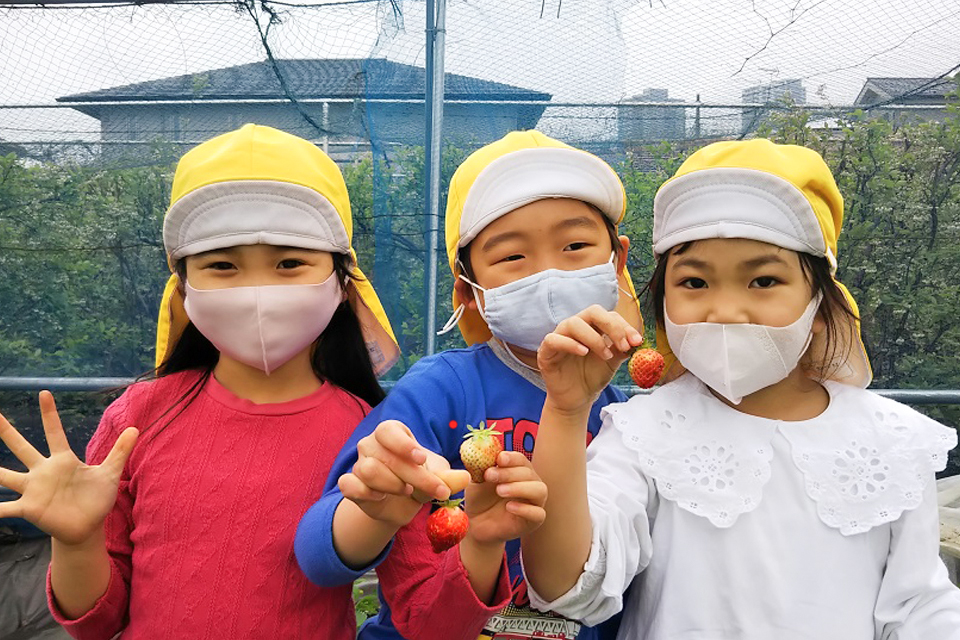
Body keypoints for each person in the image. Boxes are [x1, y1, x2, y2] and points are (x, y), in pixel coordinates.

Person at [522, 138, 960, 639]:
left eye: (763, 281)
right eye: (694, 283)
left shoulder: (894, 441)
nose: (725, 310)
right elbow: (566, 585)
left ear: (821, 303)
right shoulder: (645, 432)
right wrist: (566, 410)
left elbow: (920, 605)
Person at [0, 123, 400, 640]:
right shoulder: (138, 417)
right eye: (222, 265)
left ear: (342, 279)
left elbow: (420, 605)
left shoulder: (373, 432)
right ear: (184, 284)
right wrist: (76, 543)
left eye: (289, 262)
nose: (257, 291)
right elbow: (97, 623)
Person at [295, 130, 645, 640]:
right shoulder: (441, 390)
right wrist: (372, 511)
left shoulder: (622, 416)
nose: (547, 273)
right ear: (468, 288)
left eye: (574, 246)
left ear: (617, 261)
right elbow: (318, 556)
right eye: (511, 258)